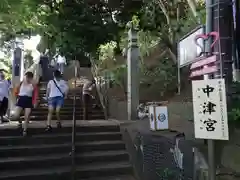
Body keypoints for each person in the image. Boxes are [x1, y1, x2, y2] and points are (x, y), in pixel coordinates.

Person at [13, 71, 39, 136]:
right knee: (16, 115)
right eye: (27, 77)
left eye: (29, 77)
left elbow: (35, 94)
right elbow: (16, 91)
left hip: (28, 100)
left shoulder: (33, 85)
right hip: (21, 99)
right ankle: (20, 121)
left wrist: (35, 102)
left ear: (31, 78)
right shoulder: (21, 83)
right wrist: (16, 99)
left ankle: (25, 130)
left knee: (27, 116)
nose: (28, 79)